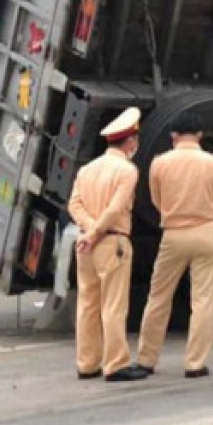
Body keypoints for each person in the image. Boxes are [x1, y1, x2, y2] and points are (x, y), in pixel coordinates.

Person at [135, 111, 213, 379]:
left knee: (159, 297)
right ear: (200, 135)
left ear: (173, 135)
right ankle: (195, 363)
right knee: (203, 300)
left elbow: (157, 201)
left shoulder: (159, 163)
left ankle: (146, 359)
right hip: (206, 231)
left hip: (173, 234)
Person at [67, 107, 148, 383]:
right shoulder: (127, 170)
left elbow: (74, 204)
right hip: (112, 241)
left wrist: (89, 231)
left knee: (88, 303)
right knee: (113, 305)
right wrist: (98, 232)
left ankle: (87, 363)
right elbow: (115, 209)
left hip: (85, 244)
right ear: (130, 141)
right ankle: (116, 364)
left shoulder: (87, 169)